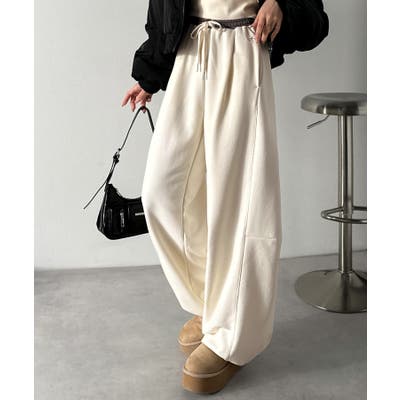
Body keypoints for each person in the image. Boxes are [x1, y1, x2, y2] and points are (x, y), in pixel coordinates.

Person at [122, 0, 284, 394]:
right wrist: (150, 75)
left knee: (239, 203)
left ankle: (232, 336)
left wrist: (280, 3)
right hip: (190, 49)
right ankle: (211, 303)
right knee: (162, 193)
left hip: (244, 46)